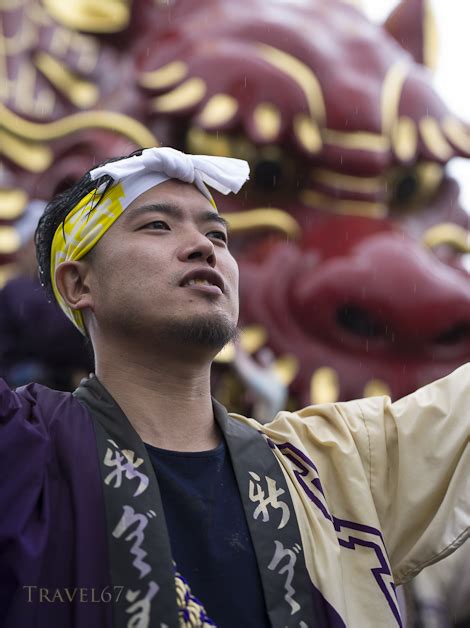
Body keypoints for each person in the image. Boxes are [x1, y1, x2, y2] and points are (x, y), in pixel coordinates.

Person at [0, 146, 468, 628]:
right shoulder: (23, 449)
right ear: (79, 283)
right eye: (157, 225)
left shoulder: (336, 467)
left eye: (217, 235)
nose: (203, 247)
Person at [0, 200, 92, 390]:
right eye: (38, 244)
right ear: (23, 250)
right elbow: (51, 337)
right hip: (25, 377)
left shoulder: (69, 283)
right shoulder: (17, 289)